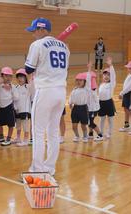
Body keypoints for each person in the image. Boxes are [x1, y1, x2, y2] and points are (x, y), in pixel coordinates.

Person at [25, 17, 69, 175]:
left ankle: (37, 169)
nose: (33, 34)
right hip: (61, 91)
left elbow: (28, 69)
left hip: (45, 90)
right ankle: (50, 168)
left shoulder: (37, 45)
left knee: (37, 131)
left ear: (41, 30)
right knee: (53, 132)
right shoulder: (64, 46)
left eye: (34, 31)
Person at [0, 67, 19, 146]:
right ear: (2, 76)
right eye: (6, 75)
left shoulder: (13, 86)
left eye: (10, 76)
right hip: (0, 108)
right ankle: (1, 136)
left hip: (9, 107)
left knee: (10, 124)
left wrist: (10, 89)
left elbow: (16, 97)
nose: (8, 78)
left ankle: (8, 138)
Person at [69, 70, 91, 143]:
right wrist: (70, 103)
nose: (78, 82)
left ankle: (85, 136)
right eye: (77, 80)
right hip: (75, 108)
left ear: (84, 82)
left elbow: (88, 80)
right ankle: (77, 136)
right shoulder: (74, 90)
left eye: (80, 80)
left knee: (83, 126)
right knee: (74, 126)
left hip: (83, 109)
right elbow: (71, 97)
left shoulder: (86, 89)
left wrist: (89, 70)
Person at [14, 68, 34, 147]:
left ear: (25, 78)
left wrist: (31, 76)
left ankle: (26, 140)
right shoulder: (15, 87)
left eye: (22, 77)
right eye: (18, 77)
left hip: (25, 110)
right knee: (18, 125)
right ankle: (18, 138)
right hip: (17, 110)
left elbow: (32, 85)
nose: (20, 79)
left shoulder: (28, 87)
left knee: (25, 126)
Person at [99, 57, 116, 139]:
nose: (106, 76)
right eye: (105, 74)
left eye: (108, 74)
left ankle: (109, 133)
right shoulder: (101, 85)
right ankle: (101, 133)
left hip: (109, 103)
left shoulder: (111, 84)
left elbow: (113, 76)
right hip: (101, 103)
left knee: (110, 119)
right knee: (102, 119)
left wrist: (110, 65)